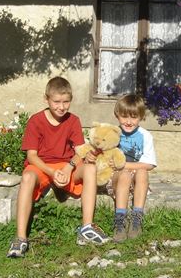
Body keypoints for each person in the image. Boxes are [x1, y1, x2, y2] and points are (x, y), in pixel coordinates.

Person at [7, 76, 110, 258]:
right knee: (27, 177)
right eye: (56, 102)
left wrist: (69, 168)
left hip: (65, 166)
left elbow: (80, 150)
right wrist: (52, 172)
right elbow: (31, 156)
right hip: (42, 166)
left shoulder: (73, 121)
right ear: (46, 99)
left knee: (90, 168)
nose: (61, 107)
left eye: (66, 102)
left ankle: (86, 227)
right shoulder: (35, 121)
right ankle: (21, 238)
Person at [110, 94, 157, 242]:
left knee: (142, 172)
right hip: (118, 178)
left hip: (136, 178)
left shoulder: (145, 136)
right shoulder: (113, 134)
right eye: (124, 117)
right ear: (117, 115)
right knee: (124, 174)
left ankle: (136, 218)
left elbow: (150, 164)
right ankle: (120, 219)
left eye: (134, 117)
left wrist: (126, 165)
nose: (129, 122)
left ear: (141, 117)